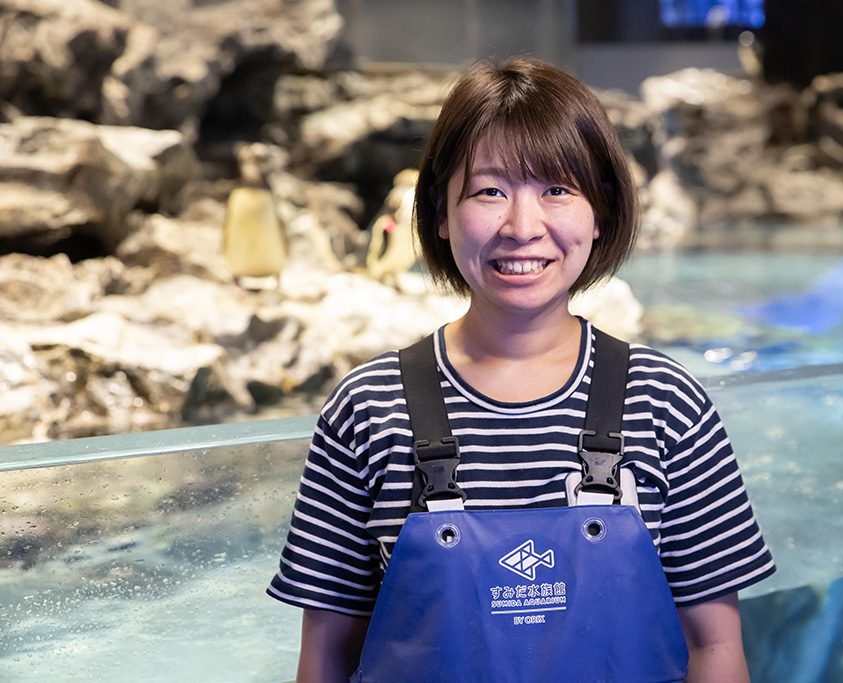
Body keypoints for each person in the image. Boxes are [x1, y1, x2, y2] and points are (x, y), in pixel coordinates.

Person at [268, 57, 776, 683]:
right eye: (489, 191)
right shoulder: (368, 407)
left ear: (601, 213)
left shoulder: (666, 402)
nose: (523, 227)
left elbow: (716, 650)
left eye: (557, 190)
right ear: (440, 213)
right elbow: (325, 658)